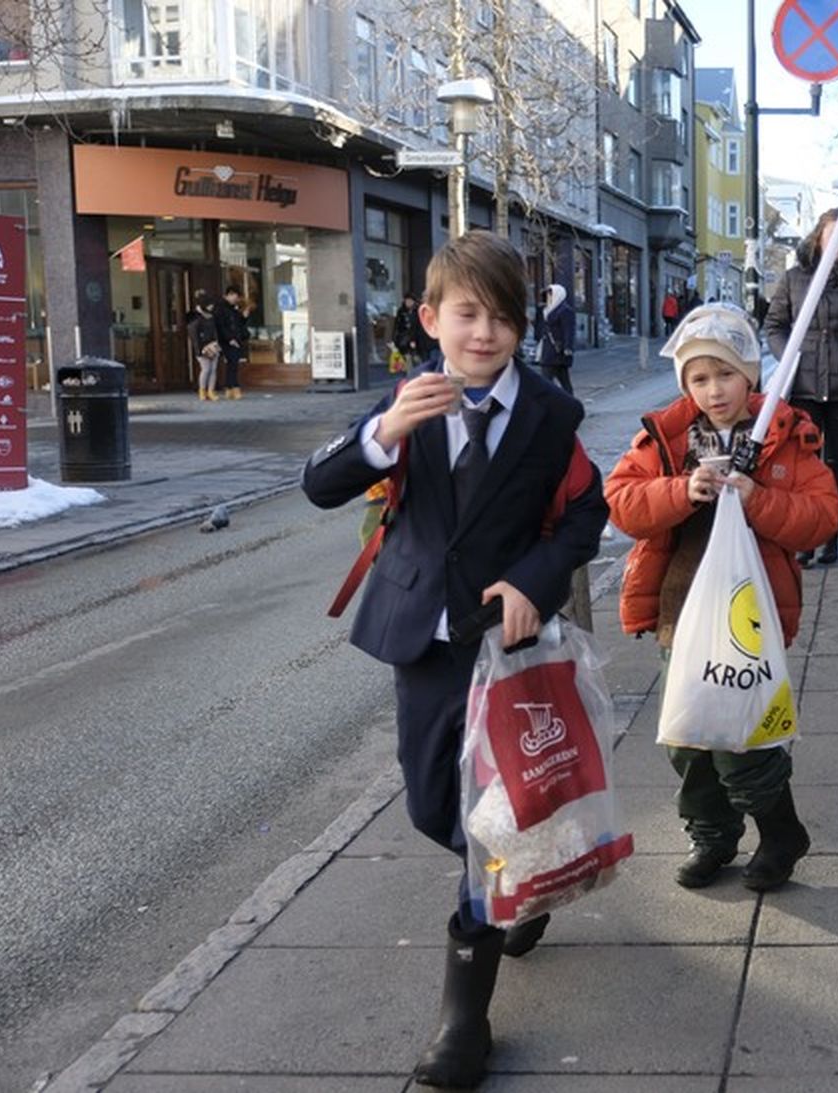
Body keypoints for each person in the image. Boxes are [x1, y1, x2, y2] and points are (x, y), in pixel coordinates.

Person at [300, 230, 608, 1088]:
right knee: (436, 805)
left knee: (492, 812)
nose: (485, 333)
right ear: (433, 317)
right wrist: (385, 431)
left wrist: (533, 582)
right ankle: (525, 879)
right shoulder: (410, 401)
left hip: (508, 646)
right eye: (468, 314)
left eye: (503, 317)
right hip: (424, 641)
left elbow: (587, 515)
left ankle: (462, 1023)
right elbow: (318, 483)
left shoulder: (551, 416)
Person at [604, 303, 838, 891]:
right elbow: (622, 502)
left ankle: (779, 829)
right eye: (699, 378)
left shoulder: (785, 437)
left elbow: (821, 516)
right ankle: (712, 835)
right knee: (689, 736)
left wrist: (758, 497)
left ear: (752, 375)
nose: (714, 390)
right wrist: (682, 490)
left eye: (726, 374)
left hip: (747, 616)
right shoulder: (666, 436)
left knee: (742, 733)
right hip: (678, 611)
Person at [761, 208, 838, 564]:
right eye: (834, 235)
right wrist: (788, 360)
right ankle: (806, 537)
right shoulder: (795, 277)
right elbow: (774, 325)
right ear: (819, 235)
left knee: (836, 462)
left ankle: (830, 535)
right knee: (806, 462)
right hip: (804, 385)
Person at [532, 283, 576, 393]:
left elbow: (568, 330)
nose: (548, 297)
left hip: (558, 350)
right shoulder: (546, 309)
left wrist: (568, 348)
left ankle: (566, 404)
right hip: (547, 350)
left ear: (558, 295)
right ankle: (566, 403)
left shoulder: (565, 310)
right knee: (557, 380)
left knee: (556, 381)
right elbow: (541, 327)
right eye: (547, 294)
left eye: (550, 294)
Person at [186, 290, 221, 402]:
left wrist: (216, 344)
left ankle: (211, 391)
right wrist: (199, 350)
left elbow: (215, 332)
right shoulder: (196, 318)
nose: (212, 307)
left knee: (213, 369)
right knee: (206, 369)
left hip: (213, 346)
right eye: (210, 305)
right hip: (202, 347)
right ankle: (202, 390)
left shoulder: (211, 317)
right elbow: (194, 336)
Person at [217, 285, 249, 400]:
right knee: (232, 363)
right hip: (226, 341)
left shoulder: (233, 309)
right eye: (234, 296)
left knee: (233, 364)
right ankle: (233, 387)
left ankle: (230, 388)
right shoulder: (221, 308)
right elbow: (221, 326)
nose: (236, 299)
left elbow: (238, 323)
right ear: (228, 295)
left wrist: (244, 317)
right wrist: (230, 339)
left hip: (235, 340)